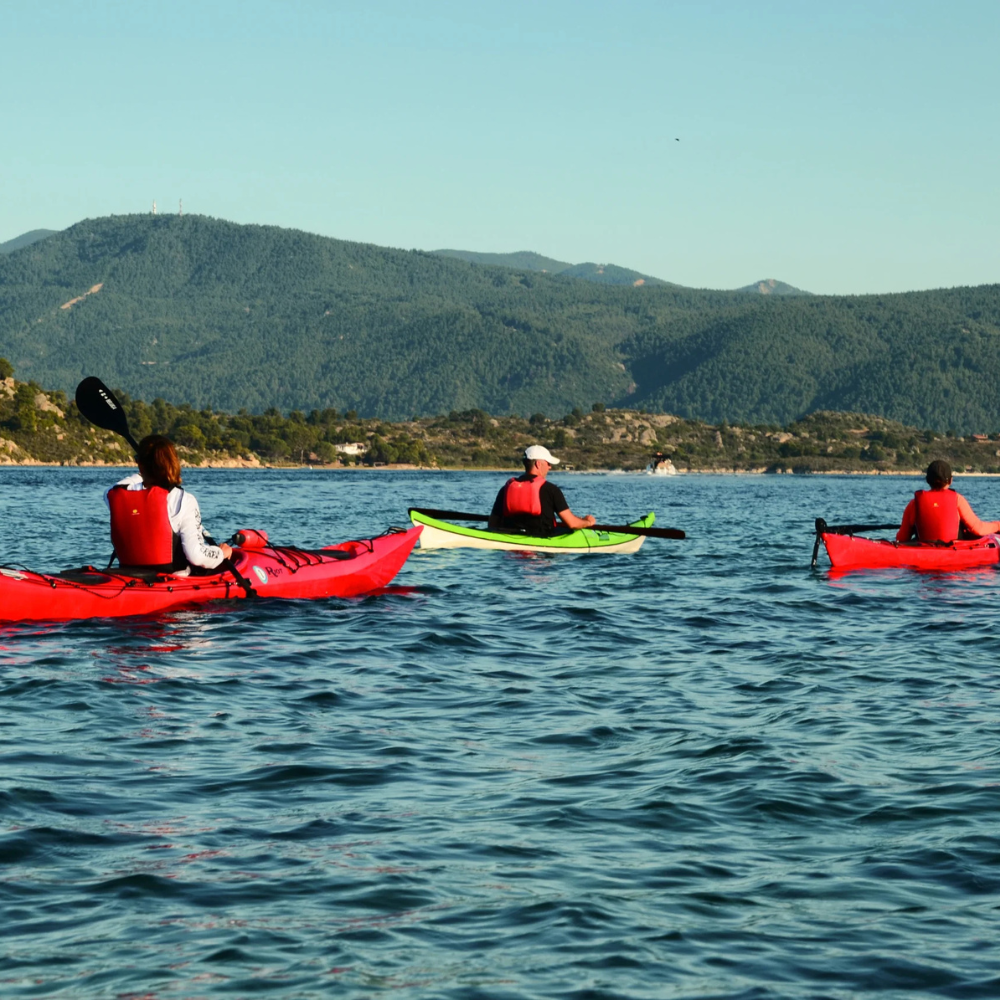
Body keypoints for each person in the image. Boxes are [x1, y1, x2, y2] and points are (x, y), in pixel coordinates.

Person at [105, 435, 232, 574]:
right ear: (173, 463)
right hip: (171, 581)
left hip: (127, 576)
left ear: (140, 466)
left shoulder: (114, 495)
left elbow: (120, 484)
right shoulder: (183, 499)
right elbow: (196, 556)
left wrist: (143, 467)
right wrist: (220, 553)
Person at [489, 445, 596, 534]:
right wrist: (587, 522)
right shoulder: (551, 490)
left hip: (510, 540)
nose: (550, 467)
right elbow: (572, 523)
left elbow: (492, 524)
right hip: (542, 542)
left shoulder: (507, 488)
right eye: (548, 463)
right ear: (538, 464)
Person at [896, 459, 1000, 543]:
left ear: (927, 480)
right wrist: (997, 525)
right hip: (953, 553)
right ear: (950, 480)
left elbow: (901, 538)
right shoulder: (957, 500)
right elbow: (979, 529)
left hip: (923, 555)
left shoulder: (914, 503)